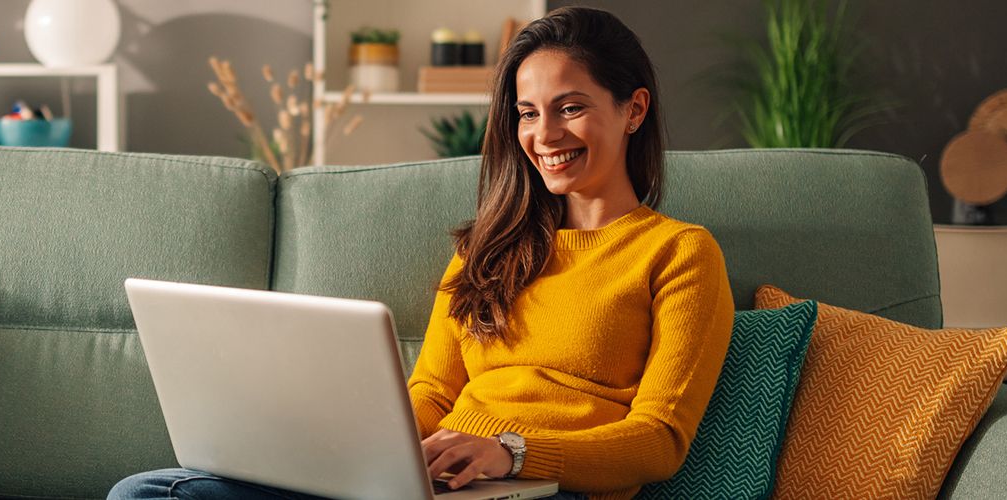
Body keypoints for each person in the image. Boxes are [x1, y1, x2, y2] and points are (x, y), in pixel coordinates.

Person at [110, 7, 732, 500]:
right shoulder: (488, 251)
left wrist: (511, 451)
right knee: (148, 493)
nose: (544, 137)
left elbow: (659, 441)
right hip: (431, 483)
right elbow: (432, 391)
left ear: (634, 109)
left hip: (544, 489)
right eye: (527, 114)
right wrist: (365, 449)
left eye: (571, 108)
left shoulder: (678, 253)